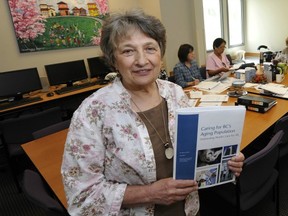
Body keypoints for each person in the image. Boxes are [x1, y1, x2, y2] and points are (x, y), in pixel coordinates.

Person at [61, 9, 245, 216]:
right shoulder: (92, 112)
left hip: (189, 209)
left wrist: (226, 158)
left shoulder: (175, 93)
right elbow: (82, 197)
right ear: (113, 59)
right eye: (128, 51)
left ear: (161, 54)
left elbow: (197, 150)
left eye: (150, 48)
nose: (142, 60)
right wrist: (149, 194)